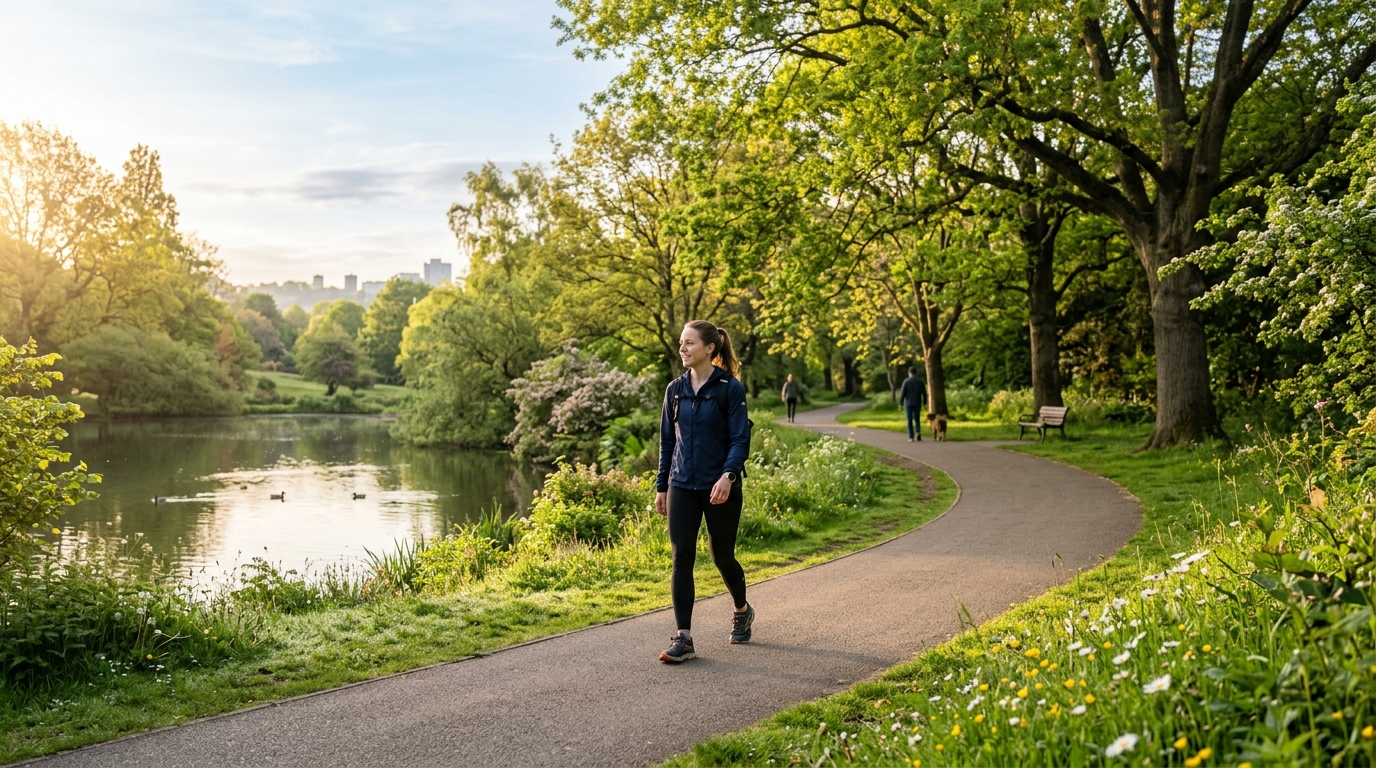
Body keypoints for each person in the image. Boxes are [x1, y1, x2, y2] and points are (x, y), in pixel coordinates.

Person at [655, 320, 753, 663]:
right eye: (681, 343)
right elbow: (667, 442)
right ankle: (683, 638)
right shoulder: (674, 390)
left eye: (689, 343)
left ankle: (741, 609)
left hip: (719, 486)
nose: (682, 348)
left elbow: (740, 438)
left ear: (709, 348)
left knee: (721, 557)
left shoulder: (729, 388)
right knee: (681, 557)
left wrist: (728, 475)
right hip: (681, 484)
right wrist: (662, 486)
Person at [899, 366, 924, 442]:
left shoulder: (906, 381)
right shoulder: (920, 382)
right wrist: (925, 402)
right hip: (917, 403)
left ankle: (911, 436)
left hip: (909, 403)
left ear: (909, 373)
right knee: (917, 419)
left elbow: (902, 393)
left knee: (909, 420)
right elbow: (924, 393)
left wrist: (901, 403)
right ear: (915, 373)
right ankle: (918, 432)